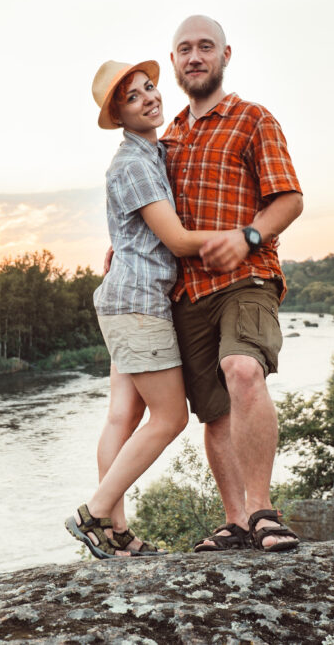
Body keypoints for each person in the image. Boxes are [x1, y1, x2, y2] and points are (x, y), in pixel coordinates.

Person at [65, 59, 242, 558]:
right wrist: (244, 237)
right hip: (140, 304)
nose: (149, 98)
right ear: (119, 116)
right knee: (170, 419)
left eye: (149, 87)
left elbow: (135, 230)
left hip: (126, 299)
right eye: (133, 97)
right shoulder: (134, 163)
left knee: (123, 415)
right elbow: (180, 240)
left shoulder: (150, 153)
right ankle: (95, 513)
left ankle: (116, 534)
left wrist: (118, 244)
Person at [161, 15, 304, 552]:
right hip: (186, 291)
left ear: (225, 54)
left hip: (248, 276)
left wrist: (247, 235)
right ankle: (236, 521)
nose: (194, 57)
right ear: (174, 61)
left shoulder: (252, 119)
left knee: (243, 370)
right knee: (214, 411)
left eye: (204, 47)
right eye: (184, 50)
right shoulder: (167, 134)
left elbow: (289, 198)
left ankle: (265, 511)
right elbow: (155, 211)